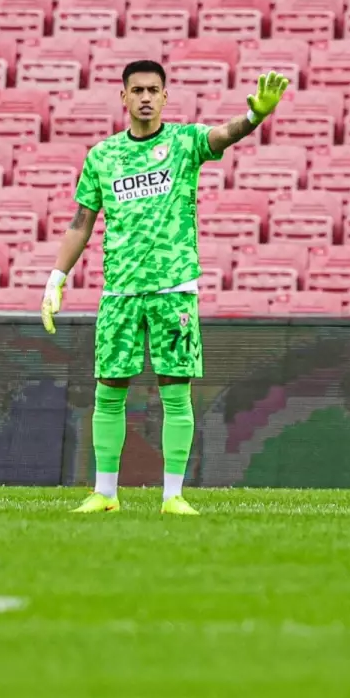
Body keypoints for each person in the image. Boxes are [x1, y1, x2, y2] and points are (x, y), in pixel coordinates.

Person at [41, 61, 290, 516]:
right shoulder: (102, 156)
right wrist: (56, 278)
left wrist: (253, 117)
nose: (145, 98)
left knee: (176, 390)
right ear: (123, 96)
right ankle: (105, 493)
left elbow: (220, 136)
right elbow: (81, 223)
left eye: (154, 90)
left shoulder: (182, 143)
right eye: (137, 90)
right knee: (109, 389)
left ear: (165, 96)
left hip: (173, 288)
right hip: (119, 291)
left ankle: (173, 495)